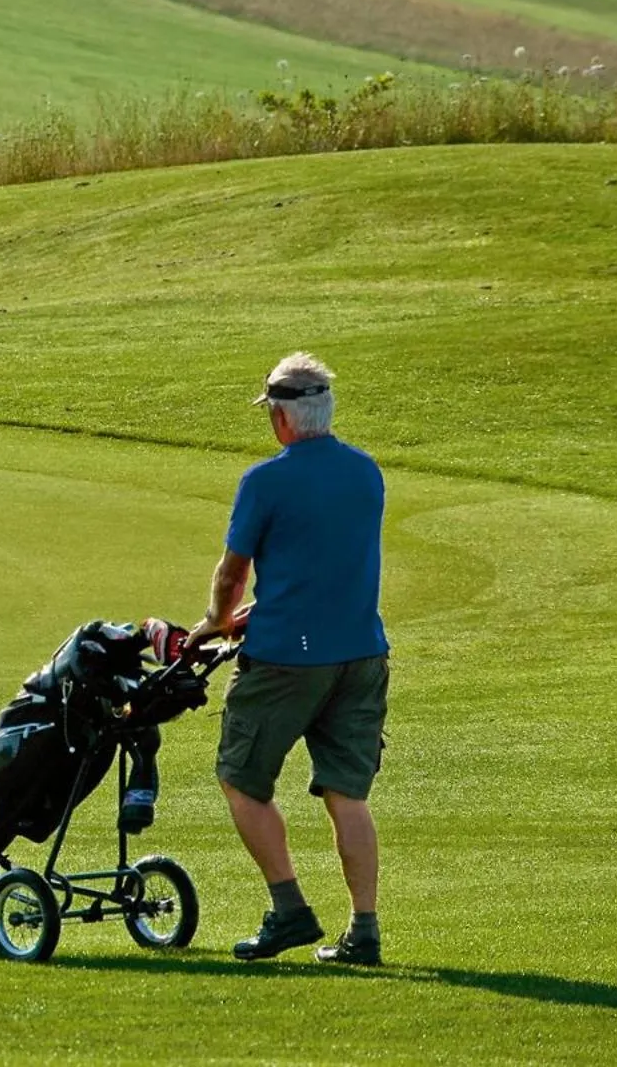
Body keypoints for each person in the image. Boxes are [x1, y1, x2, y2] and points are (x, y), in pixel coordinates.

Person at [185, 352, 390, 966]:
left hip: (285, 661)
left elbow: (231, 573)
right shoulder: (366, 472)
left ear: (280, 418)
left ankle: (289, 910)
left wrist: (219, 623)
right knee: (347, 793)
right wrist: (260, 609)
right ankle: (364, 929)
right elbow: (323, 562)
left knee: (241, 778)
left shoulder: (266, 480)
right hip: (360, 651)